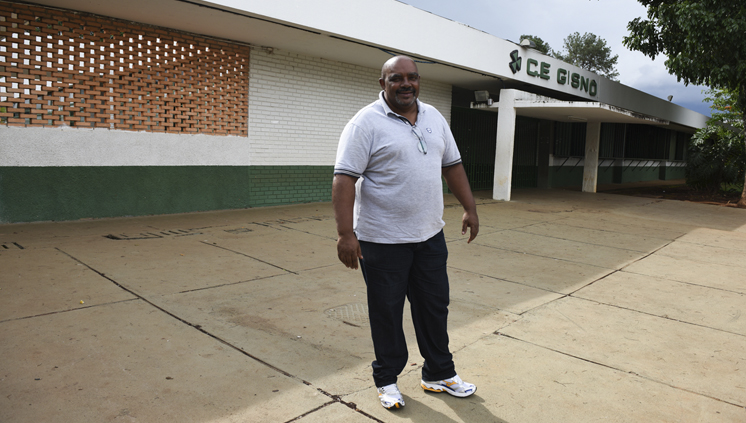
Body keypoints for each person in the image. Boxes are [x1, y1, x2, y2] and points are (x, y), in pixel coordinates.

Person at [332, 55, 479, 410]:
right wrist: (345, 234)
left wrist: (470, 208)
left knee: (434, 307)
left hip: (429, 237)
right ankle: (386, 379)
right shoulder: (364, 123)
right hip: (382, 241)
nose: (406, 84)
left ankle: (438, 373)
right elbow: (344, 179)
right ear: (382, 83)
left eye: (412, 78)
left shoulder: (434, 117)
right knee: (386, 311)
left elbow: (453, 165)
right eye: (396, 78)